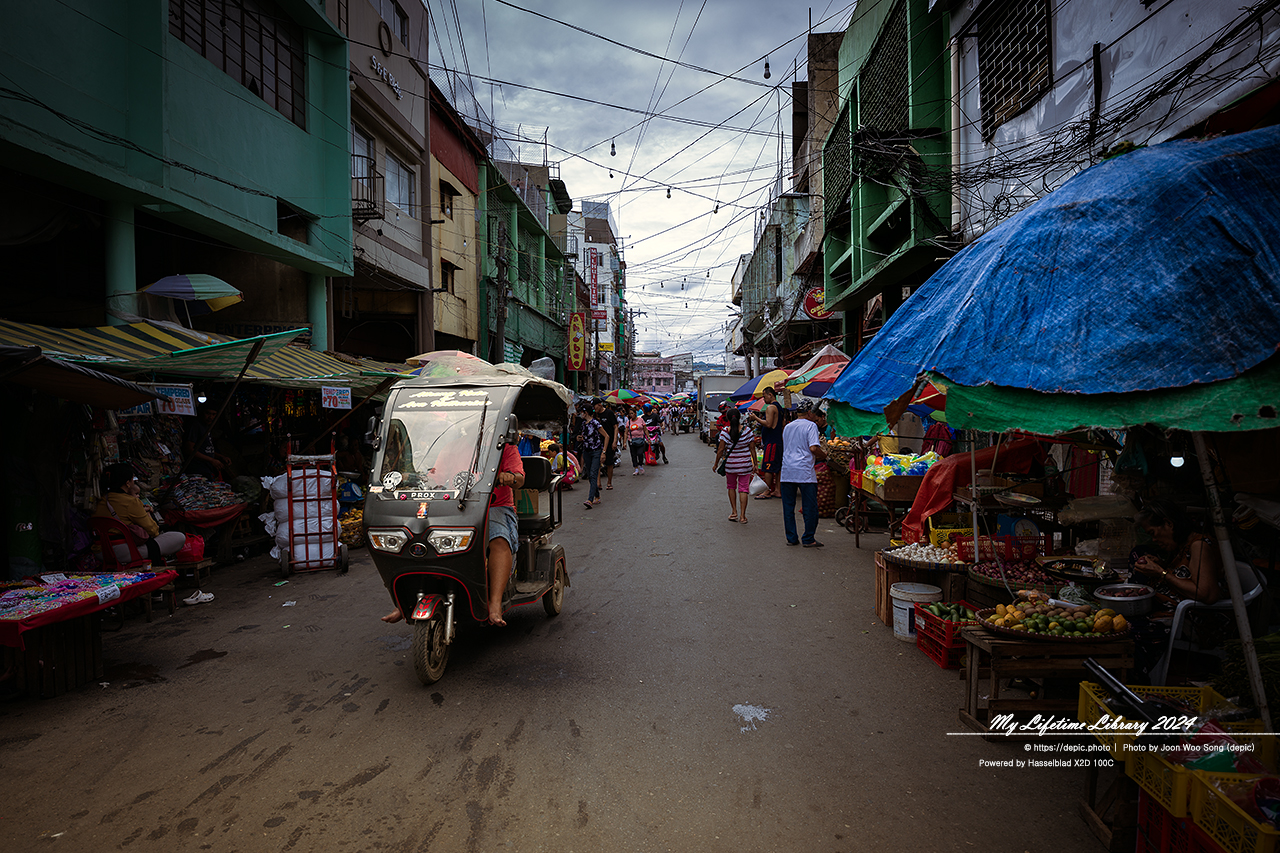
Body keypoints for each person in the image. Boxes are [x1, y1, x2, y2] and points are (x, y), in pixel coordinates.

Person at [383, 436, 525, 627]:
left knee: (498, 539)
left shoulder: (505, 447)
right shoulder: (453, 445)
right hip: (455, 504)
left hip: (494, 505)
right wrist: (416, 479)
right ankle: (403, 603)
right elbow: (435, 477)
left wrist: (509, 477)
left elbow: (519, 478)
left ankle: (495, 605)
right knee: (415, 538)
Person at [93, 463, 204, 601]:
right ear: (127, 483)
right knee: (178, 537)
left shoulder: (101, 501)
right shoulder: (131, 502)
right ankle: (156, 587)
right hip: (123, 553)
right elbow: (153, 530)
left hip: (101, 552)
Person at [1133, 500, 1223, 606]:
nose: (1154, 540)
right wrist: (1162, 566)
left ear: (1168, 524)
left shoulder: (1199, 545)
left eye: (1153, 533)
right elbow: (1185, 576)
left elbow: (1206, 594)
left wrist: (1161, 572)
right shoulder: (1181, 546)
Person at [779, 400, 826, 547]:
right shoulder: (811, 426)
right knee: (809, 507)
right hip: (804, 471)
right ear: (810, 413)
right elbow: (813, 448)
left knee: (788, 507)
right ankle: (808, 538)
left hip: (787, 470)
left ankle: (791, 538)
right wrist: (823, 455)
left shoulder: (787, 427)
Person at [712, 408, 758, 523]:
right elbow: (752, 448)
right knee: (743, 489)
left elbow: (721, 450)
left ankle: (734, 512)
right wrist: (755, 464)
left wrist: (716, 464)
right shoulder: (747, 431)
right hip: (745, 465)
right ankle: (743, 516)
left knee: (731, 487)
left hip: (731, 465)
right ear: (739, 418)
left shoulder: (724, 432)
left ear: (727, 418)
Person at [749, 384, 786, 498]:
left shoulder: (771, 407)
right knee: (777, 467)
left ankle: (767, 490)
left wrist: (756, 418)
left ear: (770, 395)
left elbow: (769, 424)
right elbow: (783, 424)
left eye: (764, 396)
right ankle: (777, 490)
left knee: (768, 467)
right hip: (778, 440)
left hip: (772, 442)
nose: (764, 399)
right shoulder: (779, 408)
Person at [184, 404, 233, 480]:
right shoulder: (195, 425)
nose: (210, 417)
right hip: (197, 469)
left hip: (207, 469)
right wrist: (212, 460)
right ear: (201, 412)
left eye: (213, 414)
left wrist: (221, 457)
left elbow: (205, 449)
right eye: (208, 413)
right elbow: (189, 449)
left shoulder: (207, 427)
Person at [578, 403, 608, 508]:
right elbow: (585, 436)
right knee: (591, 476)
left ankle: (589, 500)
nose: (581, 414)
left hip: (596, 451)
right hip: (586, 452)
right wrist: (580, 438)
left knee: (593, 474)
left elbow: (606, 436)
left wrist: (603, 452)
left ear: (586, 412)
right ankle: (597, 496)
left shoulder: (595, 423)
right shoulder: (584, 424)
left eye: (582, 412)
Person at [597, 401, 620, 491]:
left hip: (609, 442)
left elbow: (615, 427)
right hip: (598, 442)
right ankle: (598, 483)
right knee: (597, 462)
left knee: (609, 463)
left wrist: (614, 441)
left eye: (595, 406)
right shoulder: (595, 415)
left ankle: (609, 482)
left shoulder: (609, 413)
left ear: (599, 405)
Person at [626, 406, 648, 474]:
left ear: (635, 413)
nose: (631, 415)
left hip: (640, 439)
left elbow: (645, 429)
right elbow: (625, 432)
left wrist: (648, 437)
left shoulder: (641, 420)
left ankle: (640, 464)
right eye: (630, 414)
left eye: (632, 413)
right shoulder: (628, 422)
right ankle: (636, 468)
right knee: (633, 454)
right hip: (631, 440)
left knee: (640, 453)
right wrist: (624, 442)